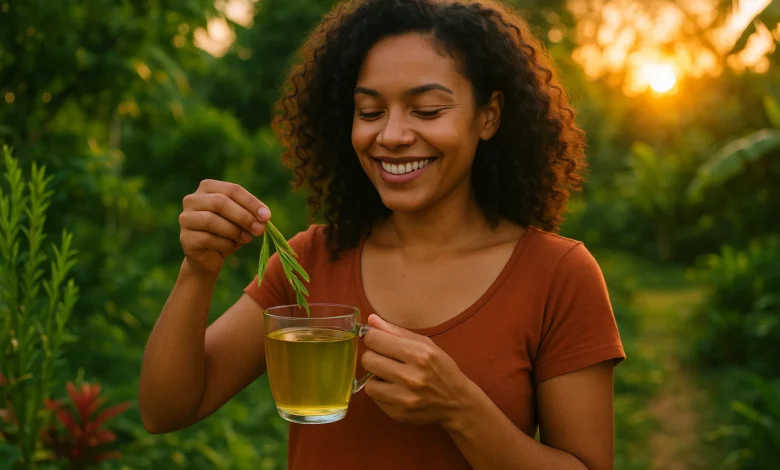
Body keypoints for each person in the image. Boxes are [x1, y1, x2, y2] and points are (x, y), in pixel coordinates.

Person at [139, 0, 626, 468]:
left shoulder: (558, 275)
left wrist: (460, 408)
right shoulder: (310, 259)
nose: (391, 135)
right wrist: (197, 271)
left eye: (428, 110)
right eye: (370, 112)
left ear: (489, 116)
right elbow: (167, 410)